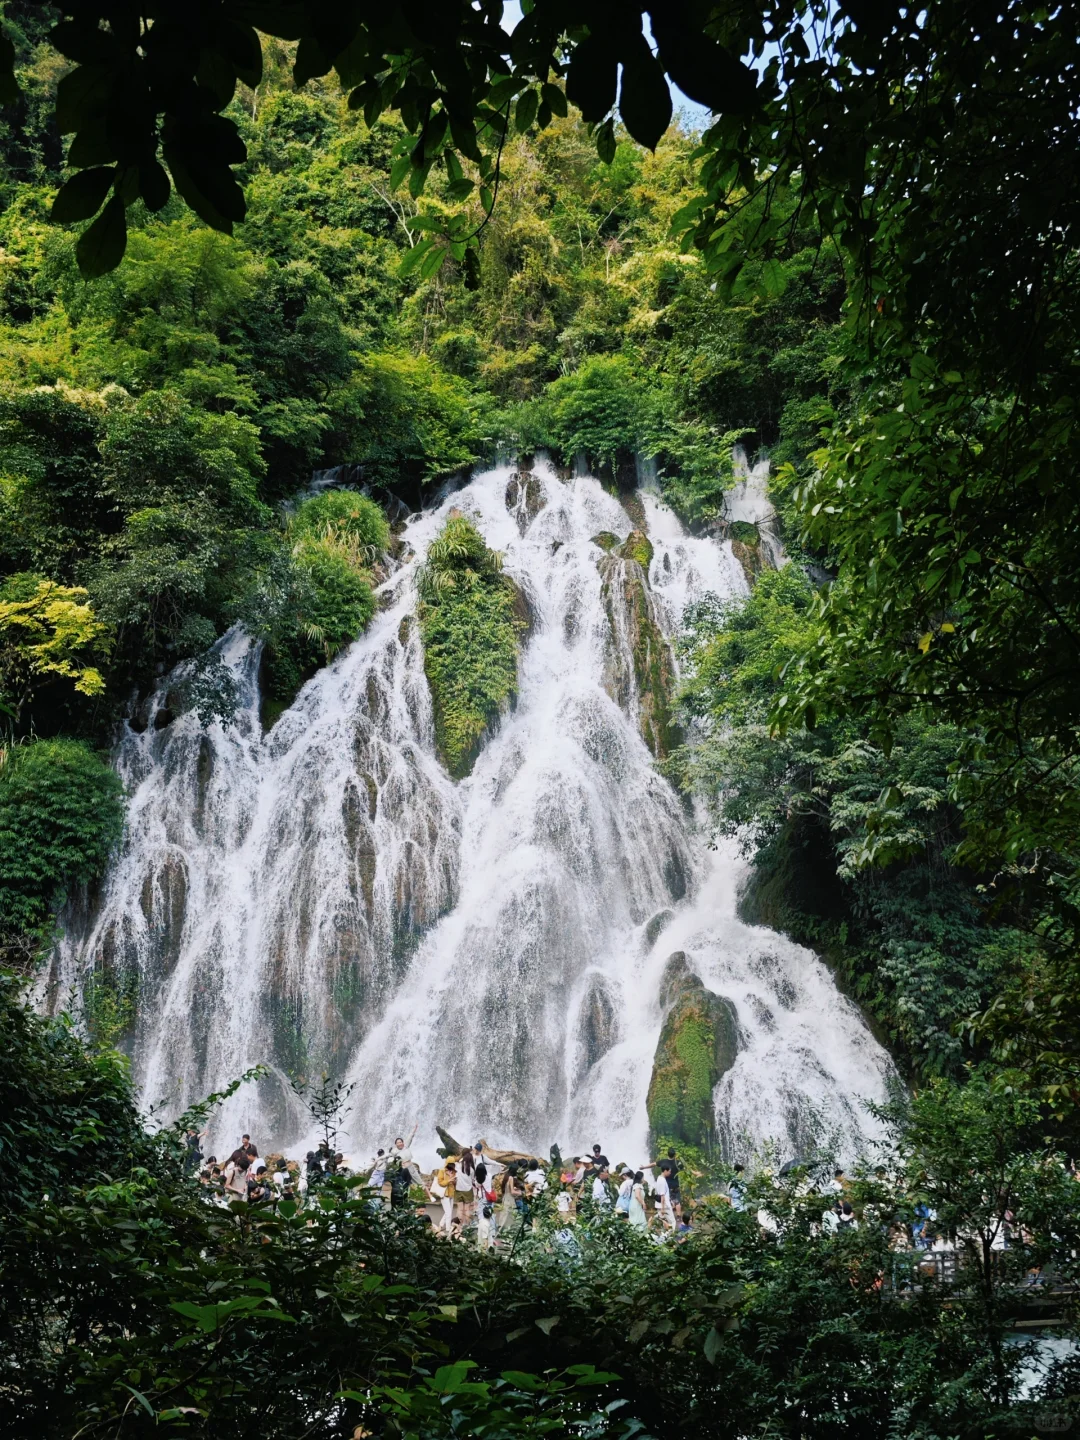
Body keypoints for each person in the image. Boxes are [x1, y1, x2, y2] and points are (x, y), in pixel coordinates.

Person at [433, 1160, 457, 1237]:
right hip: (444, 1193)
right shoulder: (442, 1170)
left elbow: (454, 1183)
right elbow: (440, 1182)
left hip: (451, 1193)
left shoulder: (454, 1171)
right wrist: (448, 1180)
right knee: (448, 1212)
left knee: (448, 1212)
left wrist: (454, 1180)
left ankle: (440, 1225)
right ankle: (447, 1228)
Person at [654, 1163, 676, 1230]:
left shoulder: (659, 1178)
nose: (670, 1173)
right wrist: (663, 1209)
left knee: (662, 1222)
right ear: (665, 1171)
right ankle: (670, 1236)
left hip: (661, 1205)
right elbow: (662, 1196)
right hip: (664, 1206)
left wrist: (670, 1201)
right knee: (672, 1222)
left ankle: (664, 1237)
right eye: (669, 1171)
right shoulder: (662, 1181)